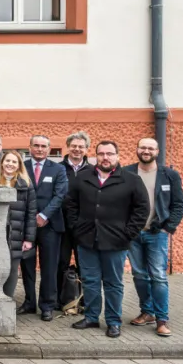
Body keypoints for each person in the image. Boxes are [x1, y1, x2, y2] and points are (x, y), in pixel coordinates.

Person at [65, 141, 148, 338]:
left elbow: (142, 209)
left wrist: (128, 233)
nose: (105, 157)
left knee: (113, 283)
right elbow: (70, 205)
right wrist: (76, 228)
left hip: (116, 242)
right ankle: (92, 317)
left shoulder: (131, 180)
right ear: (95, 156)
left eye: (109, 153)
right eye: (101, 153)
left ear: (117, 156)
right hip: (87, 240)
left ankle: (113, 321)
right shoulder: (82, 178)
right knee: (90, 281)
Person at [124, 138, 182, 337]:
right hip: (133, 234)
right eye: (143, 147)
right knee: (139, 275)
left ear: (157, 151)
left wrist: (168, 227)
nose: (146, 151)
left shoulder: (169, 175)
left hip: (157, 234)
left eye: (150, 148)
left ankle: (161, 319)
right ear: (137, 149)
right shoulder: (126, 172)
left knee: (158, 276)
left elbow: (178, 205)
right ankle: (147, 312)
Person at [20, 135, 67, 321]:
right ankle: (29, 302)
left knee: (49, 266)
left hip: (50, 226)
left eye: (43, 146)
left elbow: (60, 195)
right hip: (26, 226)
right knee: (27, 266)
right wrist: (32, 218)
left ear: (49, 149)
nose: (39, 149)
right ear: (29, 147)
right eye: (36, 145)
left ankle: (47, 305)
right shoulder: (21, 167)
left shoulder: (58, 169)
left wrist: (44, 215)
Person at [58, 131, 93, 305]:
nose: (77, 149)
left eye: (81, 147)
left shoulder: (93, 171)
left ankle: (85, 301)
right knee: (61, 263)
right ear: (68, 147)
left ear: (87, 149)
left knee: (85, 264)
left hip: (84, 226)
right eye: (74, 146)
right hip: (62, 225)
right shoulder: (58, 168)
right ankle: (62, 299)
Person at [0, 151, 36, 300]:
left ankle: (7, 300)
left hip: (16, 233)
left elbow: (31, 213)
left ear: (19, 165)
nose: (10, 164)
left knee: (12, 269)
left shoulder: (26, 185)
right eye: (7, 161)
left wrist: (29, 239)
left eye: (14, 162)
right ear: (2, 163)